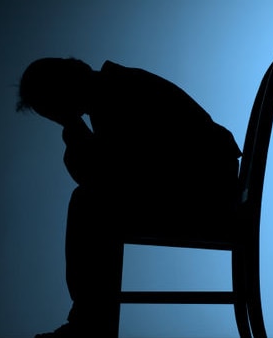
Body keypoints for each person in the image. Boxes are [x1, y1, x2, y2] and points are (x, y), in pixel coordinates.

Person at [16, 57, 242, 338]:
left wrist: (73, 129)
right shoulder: (116, 89)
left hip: (208, 197)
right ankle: (90, 322)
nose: (56, 116)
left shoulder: (116, 96)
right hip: (204, 188)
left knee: (88, 206)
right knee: (91, 204)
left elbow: (106, 176)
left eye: (52, 108)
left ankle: (89, 325)